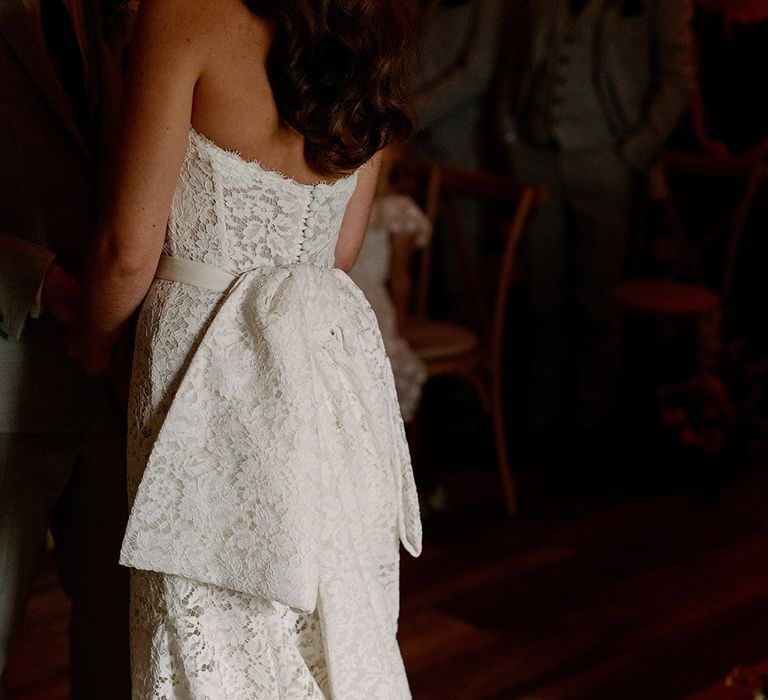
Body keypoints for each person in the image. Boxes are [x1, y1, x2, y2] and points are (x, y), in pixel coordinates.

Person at [70, 0, 422, 697]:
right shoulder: (370, 28)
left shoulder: (185, 14)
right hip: (320, 356)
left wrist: (90, 341)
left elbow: (126, 252)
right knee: (305, 617)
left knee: (208, 618)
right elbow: (340, 250)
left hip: (200, 356)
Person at [0, 1, 131, 697]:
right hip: (7, 372)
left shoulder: (127, 14)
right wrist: (42, 282)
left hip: (119, 384)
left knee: (118, 652)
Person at [497, 0, 696, 452]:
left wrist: (631, 154)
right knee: (541, 296)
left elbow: (678, 81)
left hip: (606, 160)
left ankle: (590, 431)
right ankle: (538, 426)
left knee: (598, 302)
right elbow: (516, 62)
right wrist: (511, 135)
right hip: (537, 159)